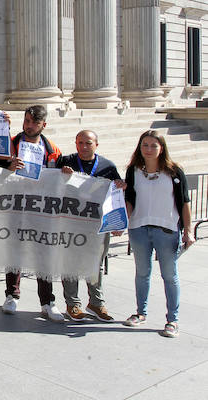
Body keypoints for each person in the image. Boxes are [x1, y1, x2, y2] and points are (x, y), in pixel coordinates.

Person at [0, 105, 64, 322]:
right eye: (26, 121)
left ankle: (47, 302)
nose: (29, 126)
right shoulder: (10, 145)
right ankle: (11, 295)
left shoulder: (52, 149)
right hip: (14, 206)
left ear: (44, 125)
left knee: (43, 254)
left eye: (34, 122)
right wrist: (8, 167)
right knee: (14, 252)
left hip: (41, 209)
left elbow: (59, 178)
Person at [122, 130, 195, 338]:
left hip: (167, 230)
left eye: (154, 145)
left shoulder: (173, 171)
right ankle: (140, 313)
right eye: (145, 145)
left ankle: (172, 320)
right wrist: (122, 222)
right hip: (139, 228)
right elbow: (130, 199)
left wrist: (188, 231)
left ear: (162, 148)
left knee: (170, 276)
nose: (149, 149)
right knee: (142, 273)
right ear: (140, 147)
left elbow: (184, 202)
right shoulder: (134, 170)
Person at [57, 130, 125, 322]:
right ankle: (73, 304)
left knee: (96, 264)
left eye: (88, 143)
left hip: (96, 224)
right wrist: (61, 176)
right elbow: (52, 186)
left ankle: (96, 302)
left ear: (96, 144)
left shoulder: (107, 166)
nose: (84, 147)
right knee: (69, 263)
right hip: (71, 222)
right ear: (75, 143)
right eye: (80, 143)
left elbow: (116, 194)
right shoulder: (66, 161)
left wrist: (120, 185)